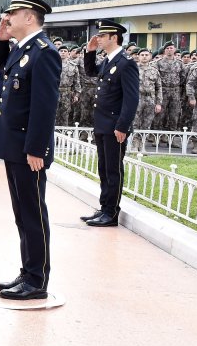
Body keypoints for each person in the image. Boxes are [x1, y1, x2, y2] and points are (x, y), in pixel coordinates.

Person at [0, 0, 61, 300]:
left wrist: (36, 149)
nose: (7, 18)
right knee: (22, 213)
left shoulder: (44, 52)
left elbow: (44, 106)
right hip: (14, 145)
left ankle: (37, 280)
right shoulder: (23, 48)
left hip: (28, 149)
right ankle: (27, 271)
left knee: (33, 213)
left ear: (30, 17)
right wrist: (0, 39)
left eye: (13, 14)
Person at [80, 19, 139, 228]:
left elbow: (131, 99)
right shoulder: (108, 60)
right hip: (102, 124)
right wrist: (89, 52)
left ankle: (111, 212)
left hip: (115, 127)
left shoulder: (126, 62)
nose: (99, 39)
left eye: (103, 36)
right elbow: (90, 71)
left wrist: (122, 126)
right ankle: (104, 207)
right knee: (104, 169)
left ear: (114, 38)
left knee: (113, 170)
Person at [131, 47, 162, 152]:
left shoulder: (154, 71)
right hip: (137, 97)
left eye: (146, 55)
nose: (144, 57)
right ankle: (135, 144)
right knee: (135, 121)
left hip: (150, 99)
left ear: (150, 57)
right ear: (138, 57)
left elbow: (159, 88)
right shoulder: (133, 69)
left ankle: (142, 144)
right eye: (142, 55)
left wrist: (158, 103)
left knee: (147, 122)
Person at [154, 41, 185, 146]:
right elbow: (156, 79)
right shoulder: (158, 63)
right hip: (163, 91)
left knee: (174, 116)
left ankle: (171, 140)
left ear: (174, 50)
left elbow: (183, 77)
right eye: (167, 48)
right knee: (160, 116)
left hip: (175, 92)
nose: (169, 50)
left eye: (171, 48)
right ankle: (157, 138)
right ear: (164, 50)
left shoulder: (180, 63)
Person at [55, 44, 81, 127]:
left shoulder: (73, 66)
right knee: (54, 115)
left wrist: (76, 95)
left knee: (65, 115)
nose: (63, 53)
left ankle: (64, 136)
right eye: (61, 51)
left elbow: (77, 81)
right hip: (55, 92)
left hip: (67, 93)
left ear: (68, 53)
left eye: (65, 51)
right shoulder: (53, 64)